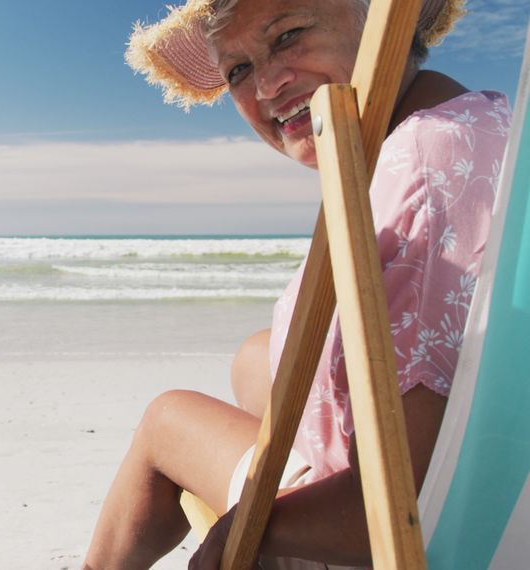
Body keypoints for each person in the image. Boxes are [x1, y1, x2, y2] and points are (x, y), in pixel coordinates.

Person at [84, 0, 511, 568]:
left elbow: (402, 507)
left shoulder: (423, 163)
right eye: (237, 70)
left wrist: (246, 530)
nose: (265, 86)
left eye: (288, 35)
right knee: (254, 357)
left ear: (386, 23)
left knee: (167, 420)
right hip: (495, 474)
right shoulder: (485, 122)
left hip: (406, 536)